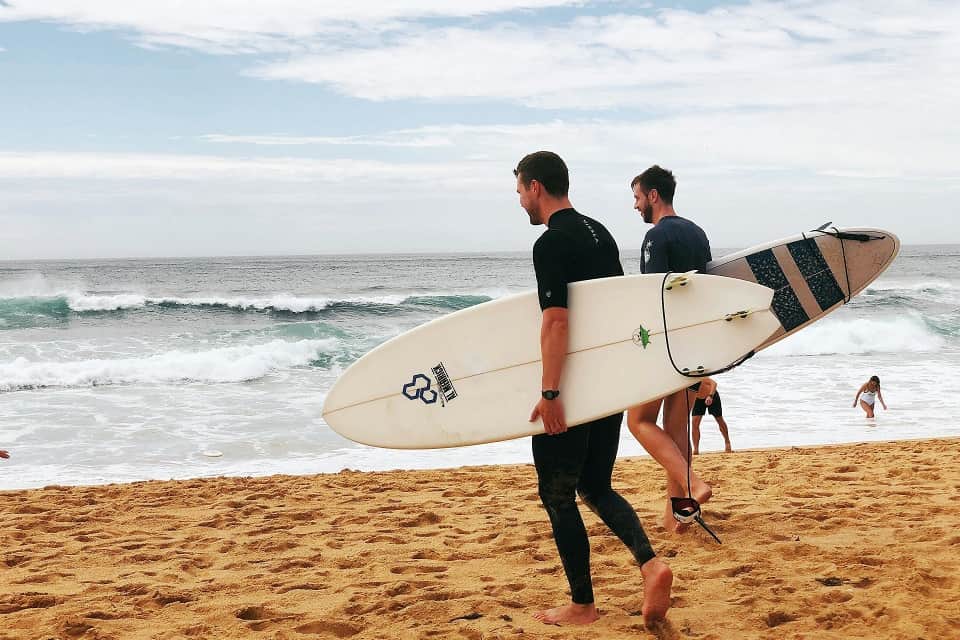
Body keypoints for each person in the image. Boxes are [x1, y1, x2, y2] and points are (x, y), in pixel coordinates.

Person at [516, 151, 672, 628]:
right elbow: (615, 310)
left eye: (520, 190)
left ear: (537, 187)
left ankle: (583, 605)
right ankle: (650, 565)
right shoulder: (599, 232)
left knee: (557, 494)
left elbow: (557, 321)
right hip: (608, 381)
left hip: (574, 388)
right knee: (595, 484)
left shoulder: (550, 243)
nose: (520, 200)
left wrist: (550, 393)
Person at [625, 165, 714, 533]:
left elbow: (653, 295)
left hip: (665, 344)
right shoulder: (698, 234)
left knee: (639, 421)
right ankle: (678, 517)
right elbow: (706, 291)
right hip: (692, 342)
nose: (635, 206)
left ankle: (693, 485)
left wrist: (638, 344)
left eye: (636, 197)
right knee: (675, 433)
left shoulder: (656, 237)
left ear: (653, 196)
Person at [690, 378, 732, 454]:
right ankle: (696, 449)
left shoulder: (698, 376)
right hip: (697, 399)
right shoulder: (683, 380)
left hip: (711, 396)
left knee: (719, 419)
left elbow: (714, 383)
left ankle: (727, 441)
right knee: (694, 423)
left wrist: (710, 396)